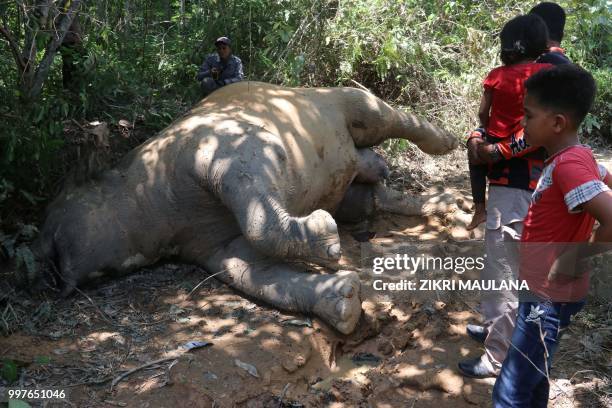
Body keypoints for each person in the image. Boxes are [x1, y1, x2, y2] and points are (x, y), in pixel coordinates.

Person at [459, 3, 574, 379]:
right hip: (537, 185)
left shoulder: (518, 76)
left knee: (503, 270)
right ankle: (501, 333)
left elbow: (485, 118)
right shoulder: (558, 72)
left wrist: (489, 143)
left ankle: (497, 357)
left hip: (513, 186)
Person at [492, 64, 612, 407]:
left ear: (558, 122)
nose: (523, 124)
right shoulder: (579, 158)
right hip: (545, 291)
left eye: (528, 116)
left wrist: (574, 257)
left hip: (548, 297)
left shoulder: (569, 166)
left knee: (510, 390)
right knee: (534, 373)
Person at [466, 14, 550, 231]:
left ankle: (478, 208)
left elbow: (483, 111)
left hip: (497, 139)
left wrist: (483, 128)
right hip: (529, 142)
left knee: (473, 148)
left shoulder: (496, 75)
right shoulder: (547, 73)